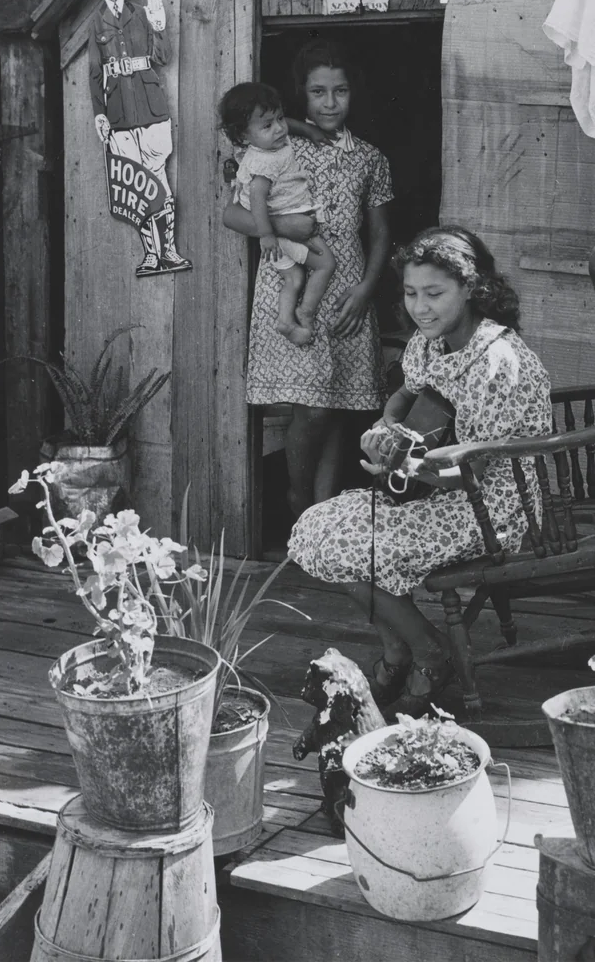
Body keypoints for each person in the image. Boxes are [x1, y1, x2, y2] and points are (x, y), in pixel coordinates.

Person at [286, 227, 553, 715]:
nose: (420, 307)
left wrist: (403, 463)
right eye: (411, 293)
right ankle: (399, 647)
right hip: (439, 491)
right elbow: (407, 393)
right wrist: (387, 426)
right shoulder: (432, 343)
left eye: (435, 293)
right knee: (317, 529)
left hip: (491, 508)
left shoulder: (497, 360)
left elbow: (472, 474)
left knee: (348, 545)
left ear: (472, 289)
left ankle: (429, 650)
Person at [222, 39, 393, 516]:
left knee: (334, 407)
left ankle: (323, 510)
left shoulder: (370, 157)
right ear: (302, 95)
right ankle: (298, 499)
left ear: (352, 93)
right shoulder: (276, 145)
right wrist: (286, 226)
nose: (330, 103)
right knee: (312, 408)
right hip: (290, 281)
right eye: (318, 92)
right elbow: (231, 216)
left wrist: (366, 290)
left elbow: (380, 235)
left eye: (339, 91)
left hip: (348, 284)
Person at [88, 0, 191, 277]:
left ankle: (170, 252)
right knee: (137, 189)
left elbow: (162, 57)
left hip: (150, 108)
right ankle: (151, 255)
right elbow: (94, 72)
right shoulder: (96, 22)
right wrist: (99, 114)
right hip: (119, 115)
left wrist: (159, 27)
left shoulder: (142, 14)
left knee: (158, 182)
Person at [219, 82, 336, 345]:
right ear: (244, 136)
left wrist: (307, 129)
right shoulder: (264, 162)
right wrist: (267, 235)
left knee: (293, 276)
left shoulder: (266, 143)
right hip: (278, 232)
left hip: (277, 232)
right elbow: (258, 199)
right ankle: (305, 312)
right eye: (268, 125)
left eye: (280, 118)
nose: (280, 128)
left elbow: (283, 125)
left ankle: (285, 321)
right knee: (326, 264)